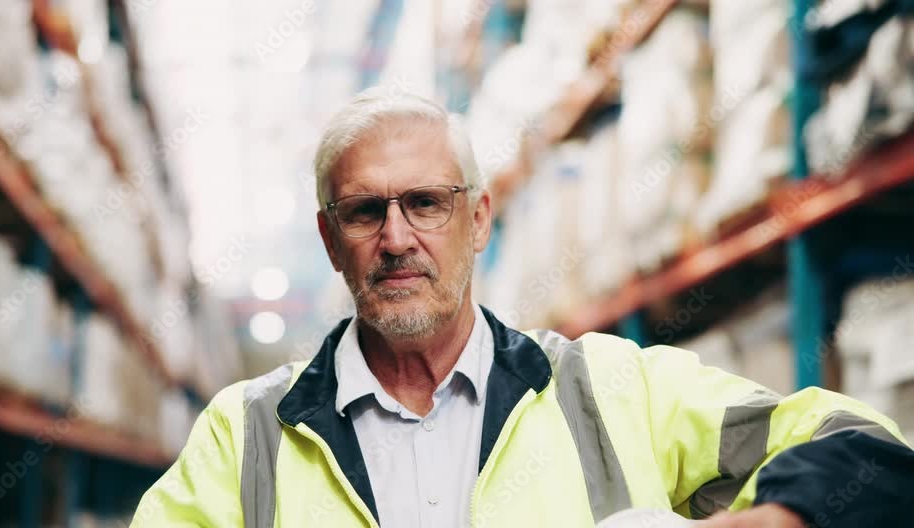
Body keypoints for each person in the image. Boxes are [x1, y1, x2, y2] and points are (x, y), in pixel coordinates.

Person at [132, 90, 914, 527]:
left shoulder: (612, 390)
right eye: (366, 212)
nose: (398, 238)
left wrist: (775, 521)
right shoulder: (249, 437)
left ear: (478, 221)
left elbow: (869, 450)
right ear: (331, 240)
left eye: (427, 204)